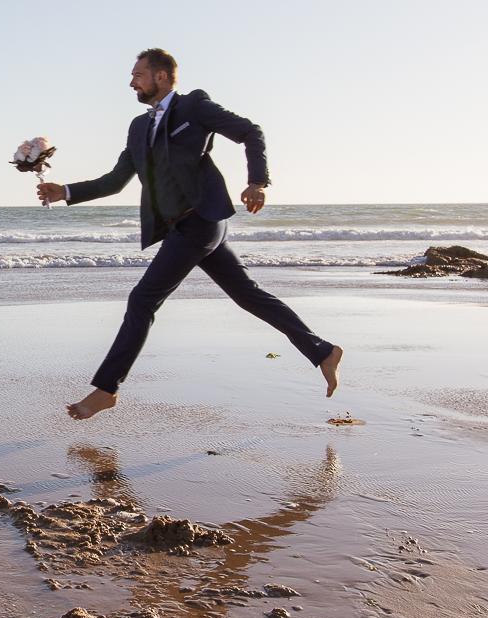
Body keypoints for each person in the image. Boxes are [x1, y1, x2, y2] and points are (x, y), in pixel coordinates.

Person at [37, 49, 342, 421]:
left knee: (142, 300)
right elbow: (115, 181)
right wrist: (64, 191)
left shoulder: (194, 107)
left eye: (138, 74)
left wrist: (257, 183)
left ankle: (106, 389)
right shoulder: (138, 126)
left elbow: (251, 132)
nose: (131, 81)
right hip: (180, 227)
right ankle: (322, 351)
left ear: (162, 77)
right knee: (248, 295)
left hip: (202, 220)